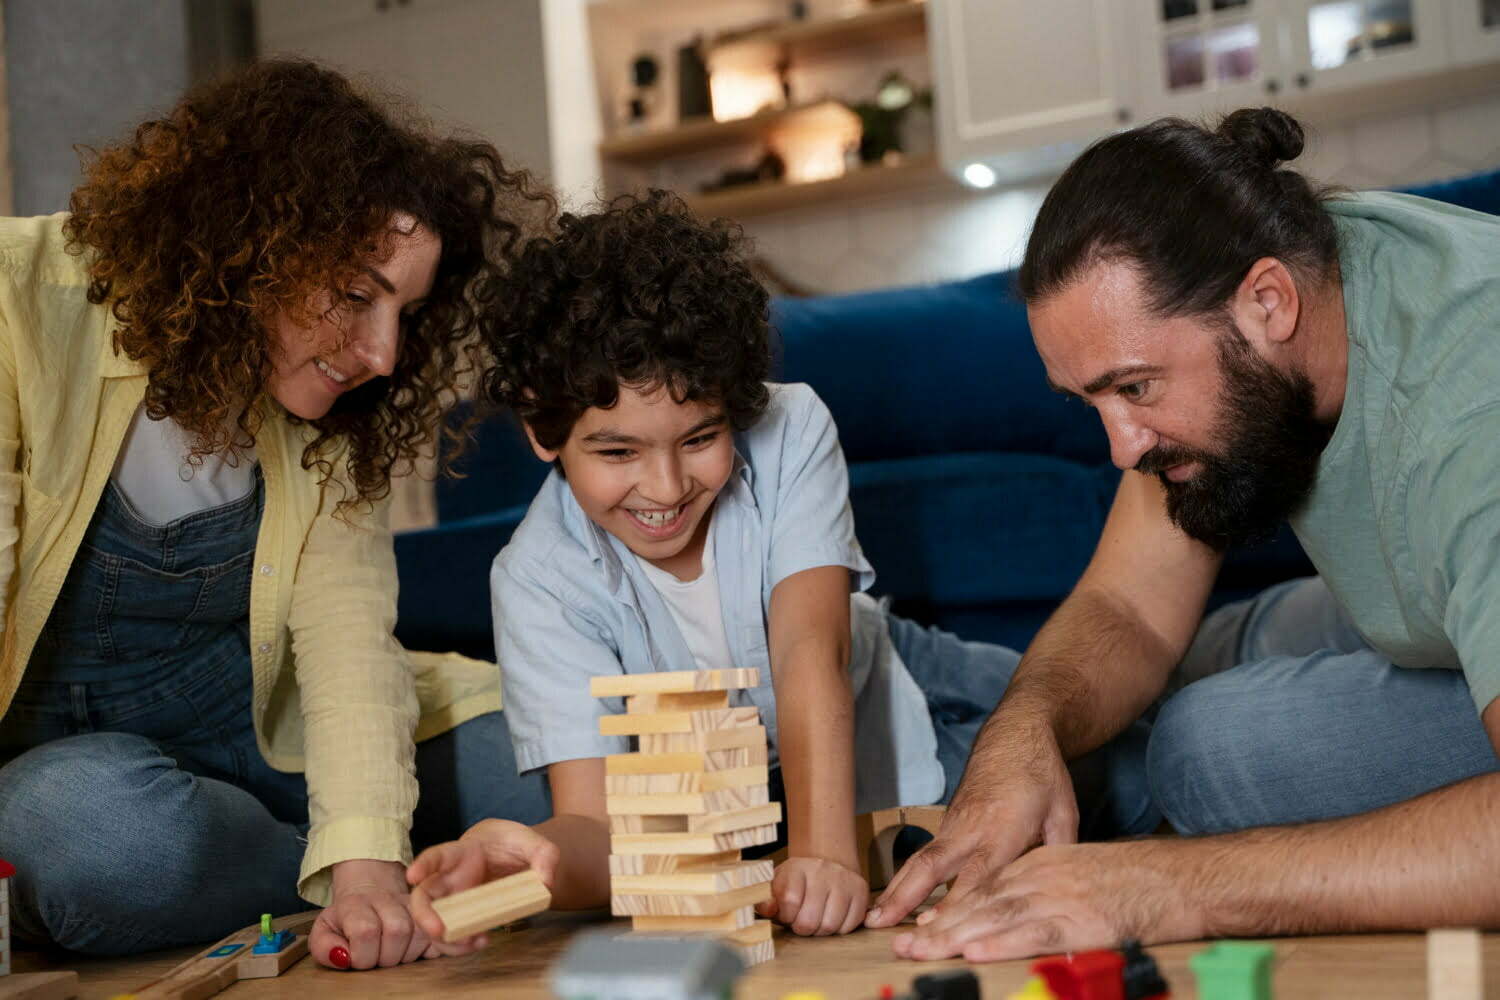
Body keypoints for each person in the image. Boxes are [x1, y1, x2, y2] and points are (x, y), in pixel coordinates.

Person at [401, 192, 1150, 946]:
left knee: (1125, 743)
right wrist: (533, 867)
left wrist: (826, 854)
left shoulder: (792, 427)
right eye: (618, 452)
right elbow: (600, 825)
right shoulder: (536, 580)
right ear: (541, 428)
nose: (665, 489)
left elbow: (807, 651)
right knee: (1075, 807)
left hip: (897, 680)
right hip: (775, 790)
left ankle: (1220, 645)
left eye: (700, 437)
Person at [865, 107, 1500, 960]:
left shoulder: (1472, 415)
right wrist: (1022, 734)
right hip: (1437, 597)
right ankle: (943, 694)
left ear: (1268, 302)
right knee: (1203, 648)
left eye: (1136, 388)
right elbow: (1130, 605)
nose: (1121, 447)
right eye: (1092, 402)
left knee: (1209, 746)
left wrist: (1166, 883)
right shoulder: (1298, 257)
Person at [0, 59, 553, 968]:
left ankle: (340, 859)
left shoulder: (339, 408)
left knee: (560, 790)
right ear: (248, 243)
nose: (382, 355)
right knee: (106, 845)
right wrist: (352, 865)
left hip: (273, 730)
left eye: (405, 313)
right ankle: (325, 864)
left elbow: (345, 641)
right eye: (356, 294)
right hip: (70, 771)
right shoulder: (21, 304)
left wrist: (369, 857)